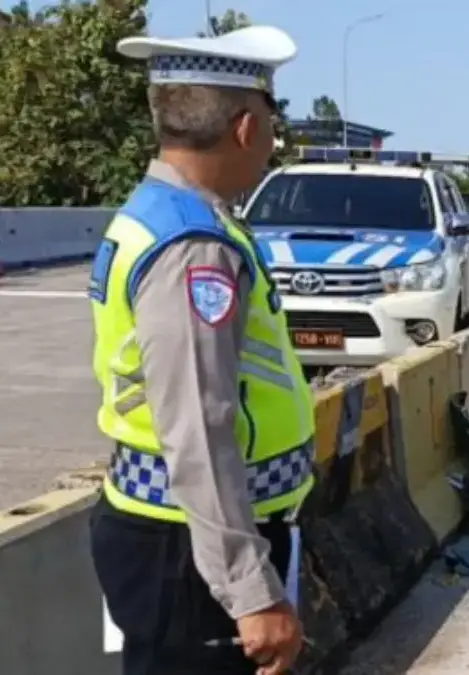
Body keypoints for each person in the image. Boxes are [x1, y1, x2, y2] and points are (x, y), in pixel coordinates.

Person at [88, 26, 311, 675]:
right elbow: (199, 425)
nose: (271, 146)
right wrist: (251, 590)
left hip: (172, 535)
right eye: (272, 127)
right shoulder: (193, 246)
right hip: (191, 552)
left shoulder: (152, 215)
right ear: (245, 127)